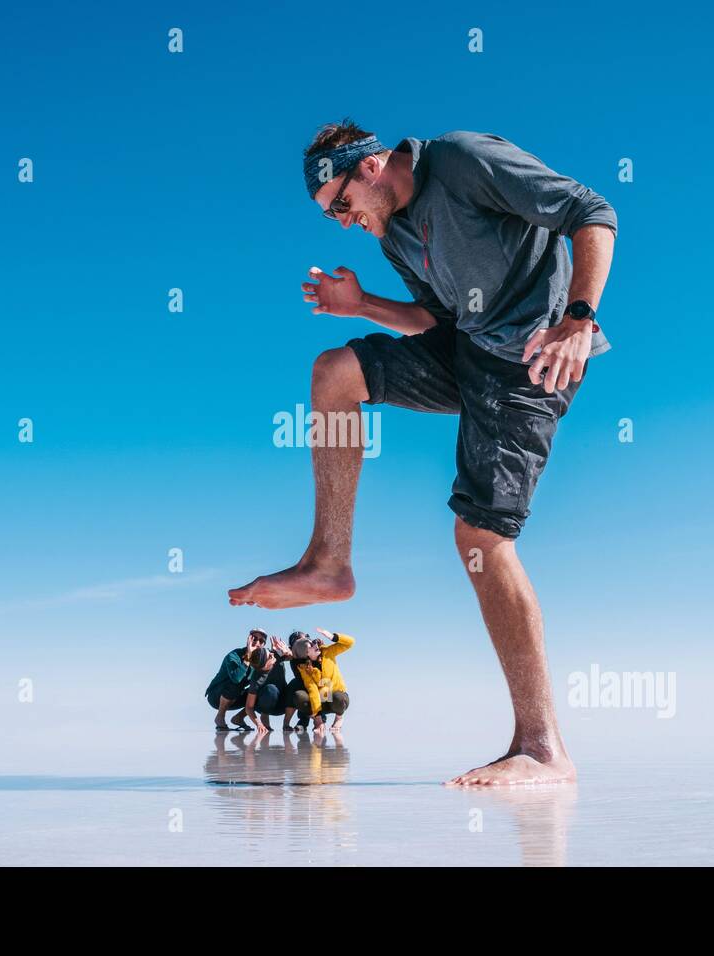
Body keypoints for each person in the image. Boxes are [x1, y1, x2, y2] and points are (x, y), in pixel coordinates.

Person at [229, 121, 617, 786]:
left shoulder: (464, 161)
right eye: (334, 217)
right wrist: (361, 305)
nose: (346, 224)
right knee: (334, 373)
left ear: (372, 165)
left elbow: (592, 212)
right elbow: (435, 322)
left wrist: (576, 320)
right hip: (466, 354)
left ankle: (542, 749)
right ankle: (329, 562)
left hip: (532, 362)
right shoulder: (397, 233)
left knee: (481, 536)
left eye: (343, 206)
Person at [288, 628, 354, 734]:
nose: (315, 645)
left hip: (336, 698)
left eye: (313, 642)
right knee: (300, 694)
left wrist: (333, 637)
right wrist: (318, 720)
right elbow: (312, 690)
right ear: (306, 654)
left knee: (338, 696)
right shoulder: (304, 668)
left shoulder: (327, 651)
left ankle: (339, 718)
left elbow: (350, 642)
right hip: (322, 700)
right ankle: (311, 720)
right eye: (311, 646)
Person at [205, 628, 268, 731]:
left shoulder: (261, 660)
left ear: (263, 645)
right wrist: (248, 656)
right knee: (237, 682)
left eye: (261, 641)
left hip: (235, 697)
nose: (257, 642)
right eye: (254, 639)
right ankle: (220, 717)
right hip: (216, 696)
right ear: (248, 640)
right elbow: (236, 678)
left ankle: (238, 718)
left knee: (261, 692)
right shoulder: (234, 655)